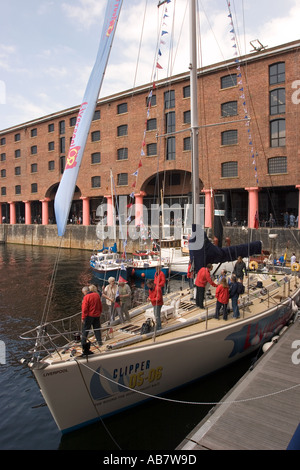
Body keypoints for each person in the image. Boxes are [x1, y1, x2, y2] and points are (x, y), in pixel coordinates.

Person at [81, 285, 102, 352]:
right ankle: (99, 342)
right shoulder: (96, 295)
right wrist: (99, 312)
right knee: (97, 329)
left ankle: (83, 343)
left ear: (86, 291)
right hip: (96, 315)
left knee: (85, 330)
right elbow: (100, 304)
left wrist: (83, 317)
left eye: (83, 292)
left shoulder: (86, 297)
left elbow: (84, 308)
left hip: (89, 316)